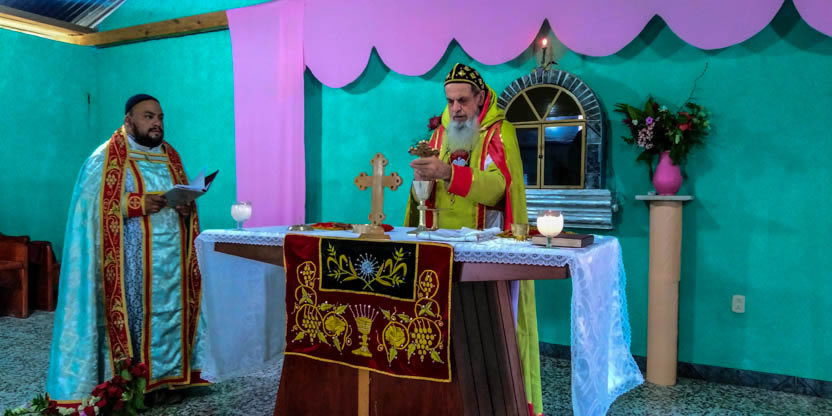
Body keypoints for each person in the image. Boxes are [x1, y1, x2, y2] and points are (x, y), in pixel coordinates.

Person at [46, 94, 207, 405]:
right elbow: (90, 209)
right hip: (128, 266)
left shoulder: (171, 156)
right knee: (135, 323)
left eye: (160, 117)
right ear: (128, 120)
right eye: (148, 116)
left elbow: (184, 204)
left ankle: (166, 382)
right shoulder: (105, 157)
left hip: (170, 268)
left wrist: (186, 209)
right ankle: (132, 388)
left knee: (168, 320)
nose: (157, 123)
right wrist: (136, 203)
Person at [405, 64, 543, 416]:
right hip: (441, 251)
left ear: (480, 97)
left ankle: (492, 403)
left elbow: (498, 188)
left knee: (484, 340)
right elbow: (425, 195)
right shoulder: (439, 136)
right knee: (442, 335)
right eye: (450, 101)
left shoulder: (499, 132)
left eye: (463, 101)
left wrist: (448, 172)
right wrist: (422, 179)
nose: (455, 109)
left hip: (485, 252)